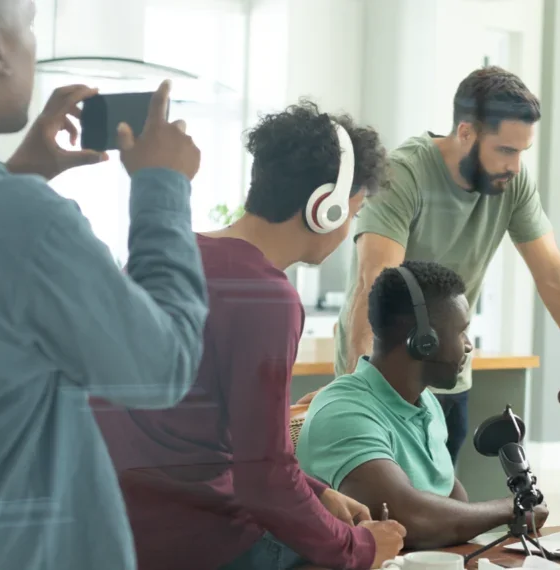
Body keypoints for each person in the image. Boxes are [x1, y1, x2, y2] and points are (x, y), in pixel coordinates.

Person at [94, 100, 406, 570]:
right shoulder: (267, 297)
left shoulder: (160, 256)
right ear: (326, 207)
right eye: (353, 212)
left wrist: (319, 492)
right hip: (207, 544)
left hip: (119, 535)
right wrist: (360, 548)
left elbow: (217, 441)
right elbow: (263, 482)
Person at [0, 1, 210, 569]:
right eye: (29, 24)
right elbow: (163, 367)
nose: (34, 43)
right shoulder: (24, 218)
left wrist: (16, 175)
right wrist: (163, 186)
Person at [310, 66, 560, 465]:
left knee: (437, 509)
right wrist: (359, 396)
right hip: (385, 379)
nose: (515, 165)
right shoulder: (402, 174)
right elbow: (373, 285)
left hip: (447, 374)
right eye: (505, 150)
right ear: (466, 133)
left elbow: (555, 277)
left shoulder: (511, 183)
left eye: (521, 152)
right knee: (381, 513)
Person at [297, 261, 548, 549]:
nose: (468, 345)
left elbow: (456, 511)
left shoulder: (426, 402)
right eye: (461, 332)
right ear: (423, 341)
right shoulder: (344, 411)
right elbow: (408, 521)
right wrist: (512, 507)